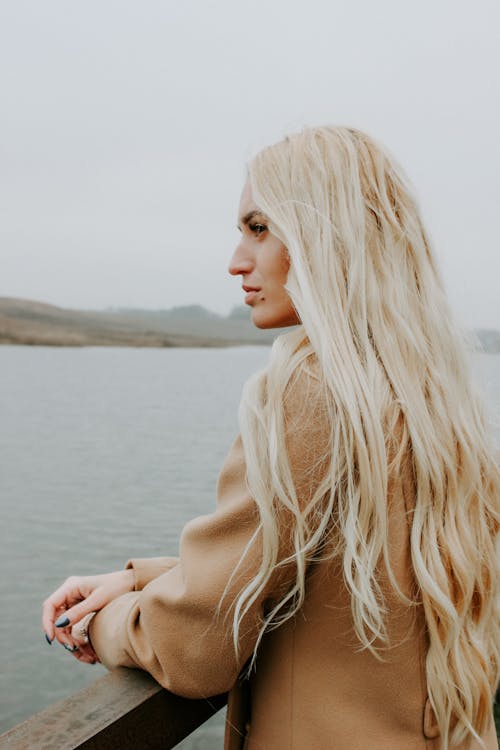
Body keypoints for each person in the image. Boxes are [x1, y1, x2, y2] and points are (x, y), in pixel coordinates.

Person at [42, 126, 500, 750]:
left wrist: (102, 623)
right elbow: (321, 567)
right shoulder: (434, 395)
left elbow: (195, 647)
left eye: (259, 228)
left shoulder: (310, 387)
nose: (236, 260)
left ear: (328, 235)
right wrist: (142, 578)